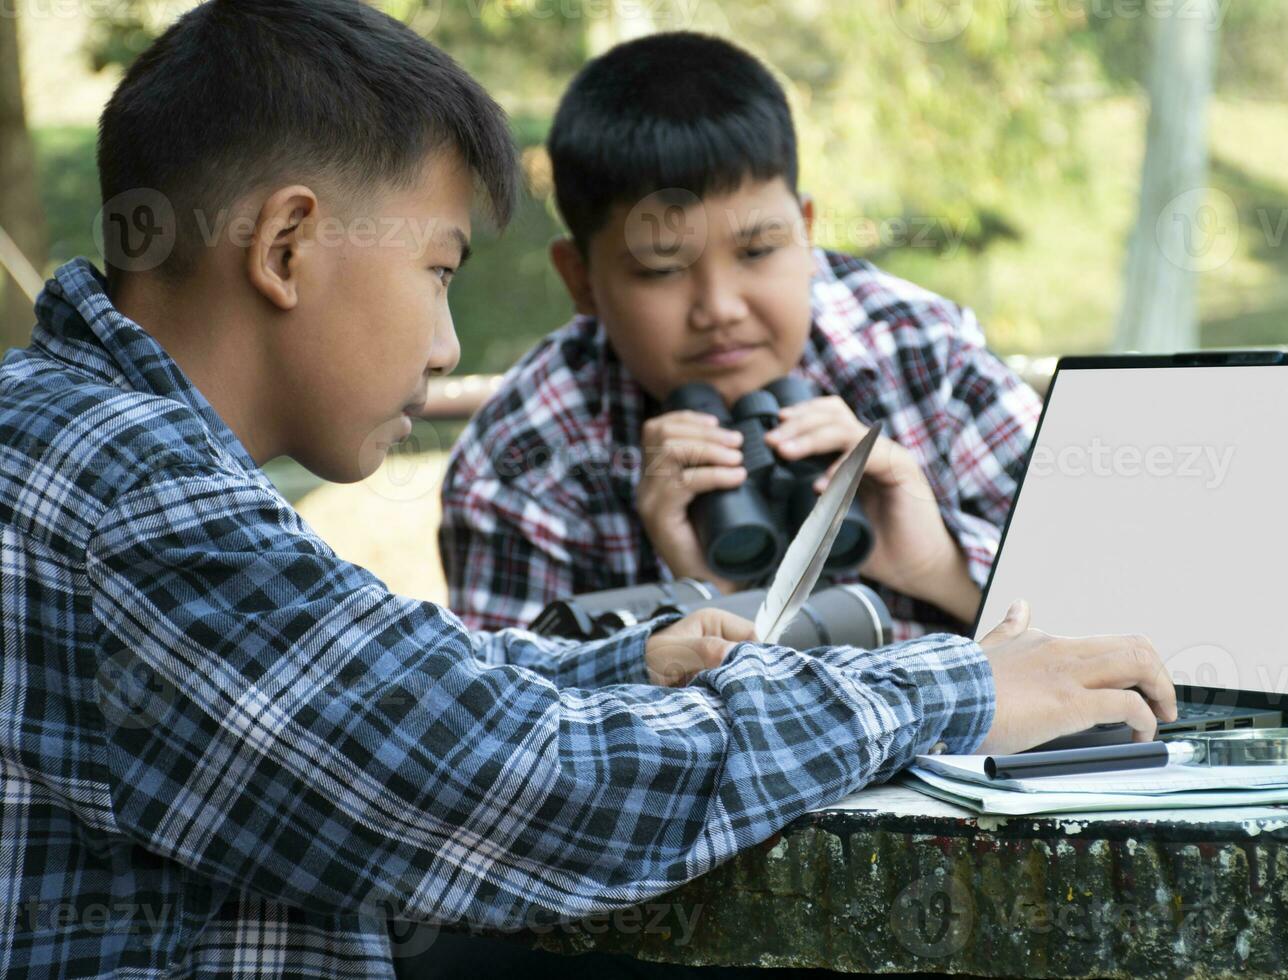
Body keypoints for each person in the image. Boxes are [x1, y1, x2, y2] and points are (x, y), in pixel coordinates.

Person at [0, 3, 1175, 977]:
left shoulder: (93, 443)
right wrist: (949, 689)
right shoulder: (134, 497)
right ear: (286, 249)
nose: (451, 345)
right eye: (439, 272)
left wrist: (633, 655)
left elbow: (413, 677)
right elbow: (516, 784)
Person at [439, 31, 1043, 641]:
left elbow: (1120, 628)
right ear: (582, 280)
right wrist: (698, 604)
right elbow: (515, 721)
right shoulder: (522, 458)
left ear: (805, 231)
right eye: (661, 269)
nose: (719, 309)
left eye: (757, 250)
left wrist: (939, 567)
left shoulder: (922, 354)